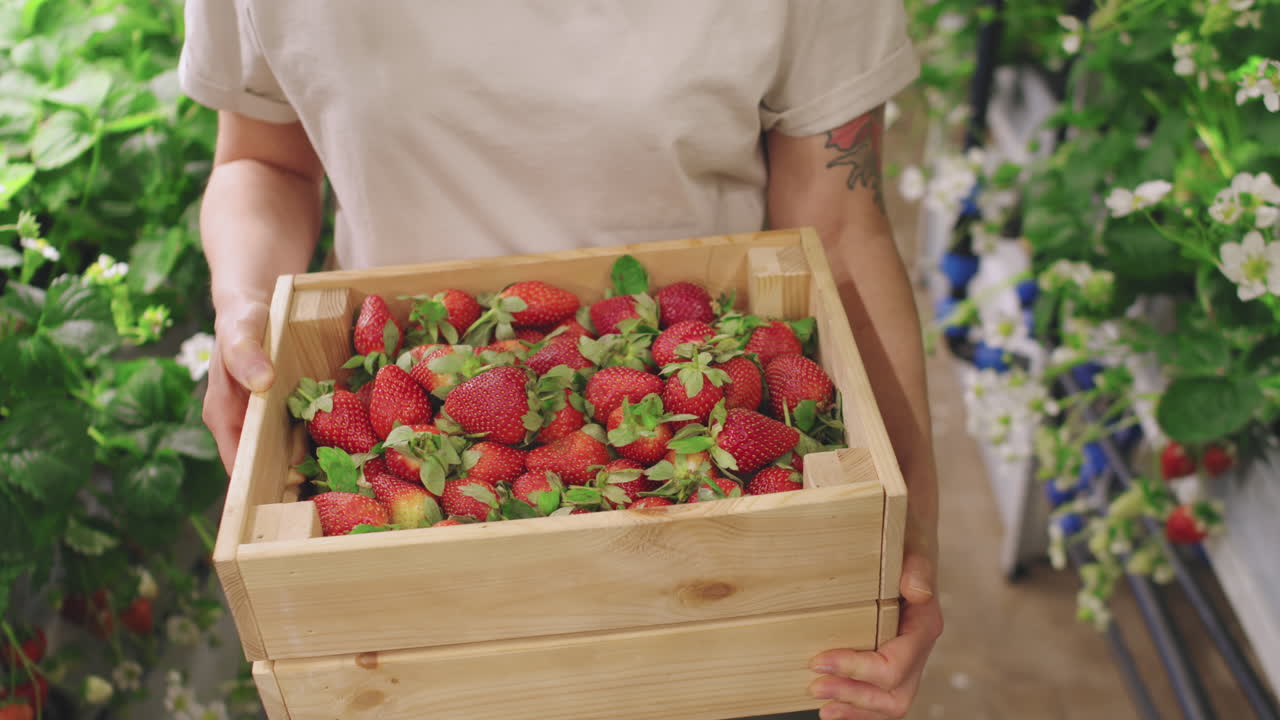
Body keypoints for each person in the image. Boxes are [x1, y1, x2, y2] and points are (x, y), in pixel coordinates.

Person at [180, 2, 942, 718]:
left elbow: (840, 225)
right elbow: (263, 159)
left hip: (707, 514)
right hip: (408, 552)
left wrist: (900, 533)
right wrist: (244, 302)